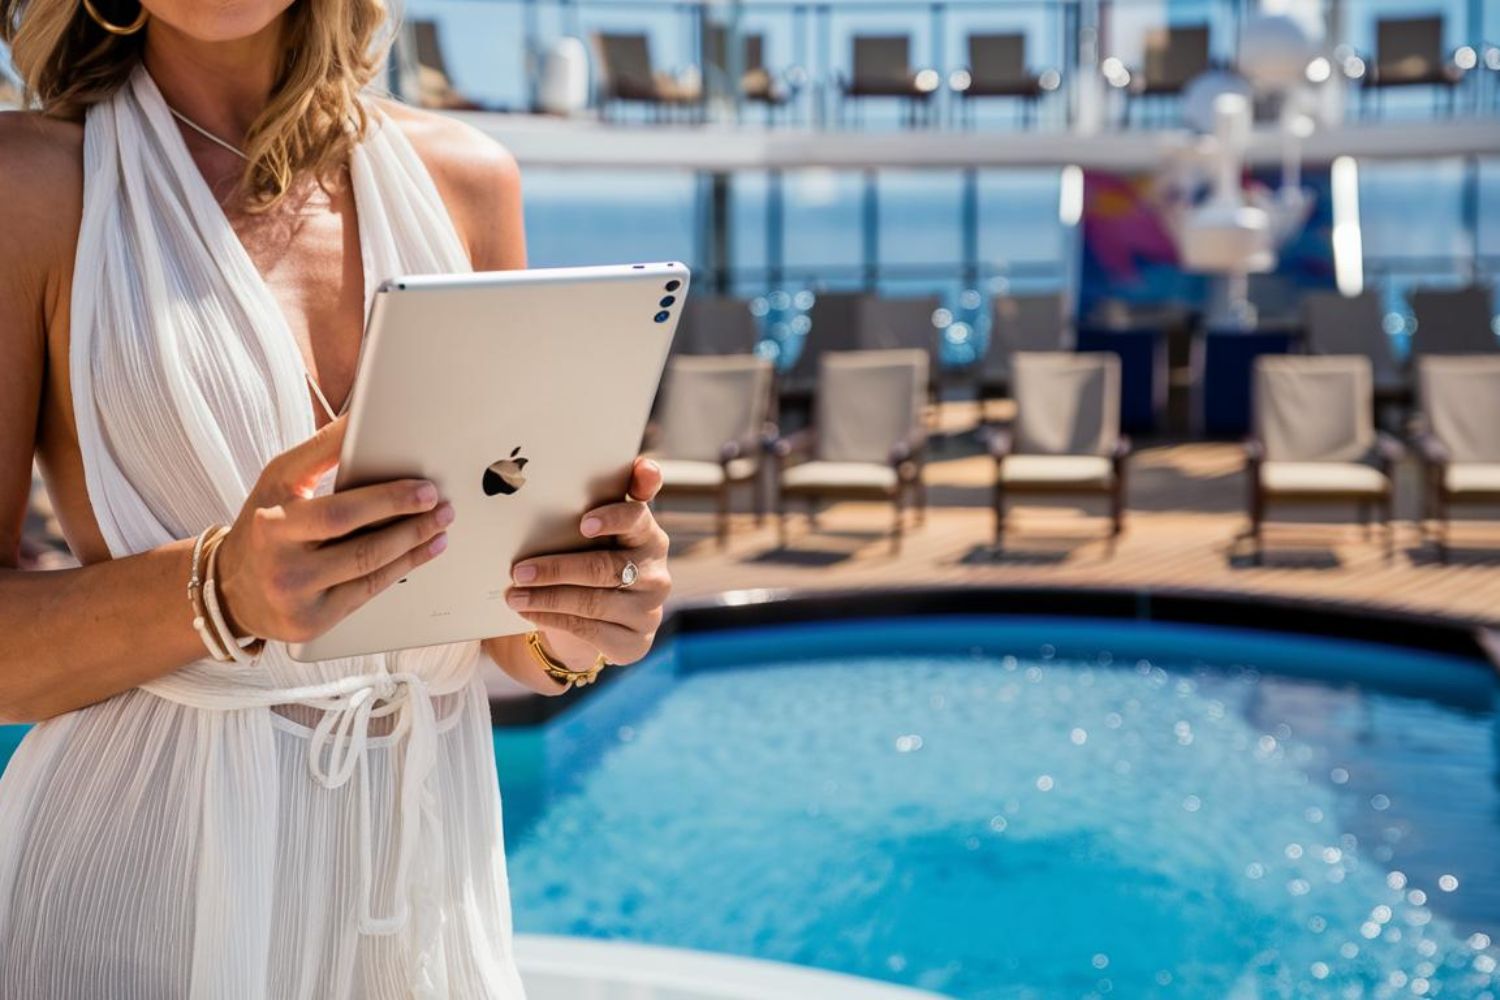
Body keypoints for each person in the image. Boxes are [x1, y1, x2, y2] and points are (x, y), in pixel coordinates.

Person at [0, 0, 672, 995]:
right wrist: (218, 590)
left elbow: (493, 612)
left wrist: (575, 617)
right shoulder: (32, 186)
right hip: (143, 896)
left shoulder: (469, 183)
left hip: (424, 891)